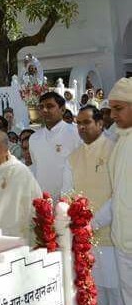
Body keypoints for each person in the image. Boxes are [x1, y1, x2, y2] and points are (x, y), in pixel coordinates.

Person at [61, 106, 123, 305]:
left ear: (100, 123)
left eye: (86, 122)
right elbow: (66, 193)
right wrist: (75, 224)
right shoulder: (73, 156)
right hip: (83, 239)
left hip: (112, 237)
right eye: (78, 123)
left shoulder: (116, 149)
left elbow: (120, 195)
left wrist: (93, 224)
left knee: (117, 292)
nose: (81, 127)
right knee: (90, 290)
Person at [93, 77, 132, 304]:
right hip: (123, 241)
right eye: (111, 109)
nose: (113, 115)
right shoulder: (121, 141)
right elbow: (120, 196)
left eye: (119, 108)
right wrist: (93, 223)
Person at [29, 91, 81, 200]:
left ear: (62, 110)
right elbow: (36, 166)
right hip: (43, 200)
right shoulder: (34, 138)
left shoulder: (76, 133)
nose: (44, 110)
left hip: (70, 200)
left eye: (50, 106)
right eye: (41, 107)